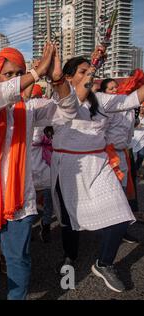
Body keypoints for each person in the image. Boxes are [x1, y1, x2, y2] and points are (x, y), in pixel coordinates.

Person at [0, 43, 77, 300]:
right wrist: (36, 74)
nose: (17, 80)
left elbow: (68, 111)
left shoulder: (30, 109)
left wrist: (57, 79)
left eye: (20, 73)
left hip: (19, 203)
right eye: (9, 74)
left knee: (19, 261)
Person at [53, 47, 144, 292]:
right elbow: (73, 103)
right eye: (82, 72)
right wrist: (91, 71)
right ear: (69, 77)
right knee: (70, 222)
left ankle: (104, 263)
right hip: (69, 166)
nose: (88, 75)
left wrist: (91, 75)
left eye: (89, 71)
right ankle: (69, 258)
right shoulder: (58, 97)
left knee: (121, 214)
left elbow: (134, 99)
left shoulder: (102, 100)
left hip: (100, 162)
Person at [99, 78, 140, 243]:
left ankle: (120, 231)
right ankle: (106, 229)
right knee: (109, 196)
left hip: (122, 154)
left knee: (122, 195)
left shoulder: (129, 108)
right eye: (110, 89)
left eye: (116, 87)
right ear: (103, 93)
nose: (115, 90)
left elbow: (130, 132)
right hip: (106, 156)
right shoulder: (104, 109)